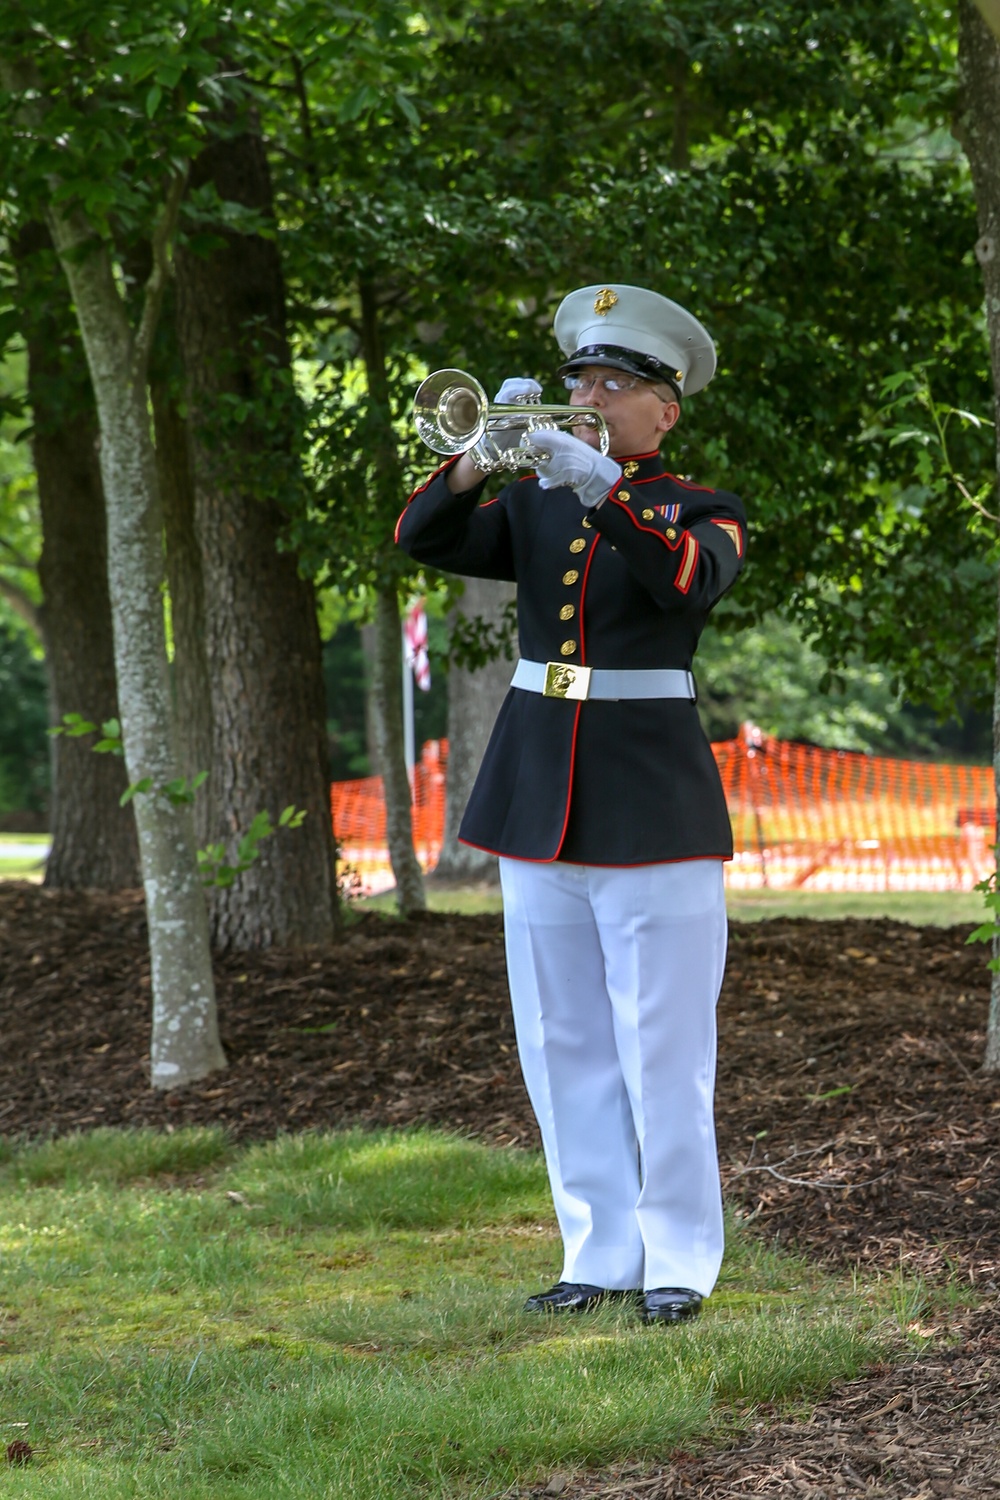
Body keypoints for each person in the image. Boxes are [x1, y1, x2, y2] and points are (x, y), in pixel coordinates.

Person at [396, 284, 746, 1324]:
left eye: (611, 382)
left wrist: (602, 487)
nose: (588, 395)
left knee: (663, 1046)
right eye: (579, 381)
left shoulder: (699, 510)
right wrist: (479, 458)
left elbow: (684, 583)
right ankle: (597, 1251)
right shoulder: (537, 497)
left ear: (662, 408)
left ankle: (679, 1260)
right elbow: (423, 534)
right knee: (560, 1037)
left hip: (651, 799)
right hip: (535, 785)